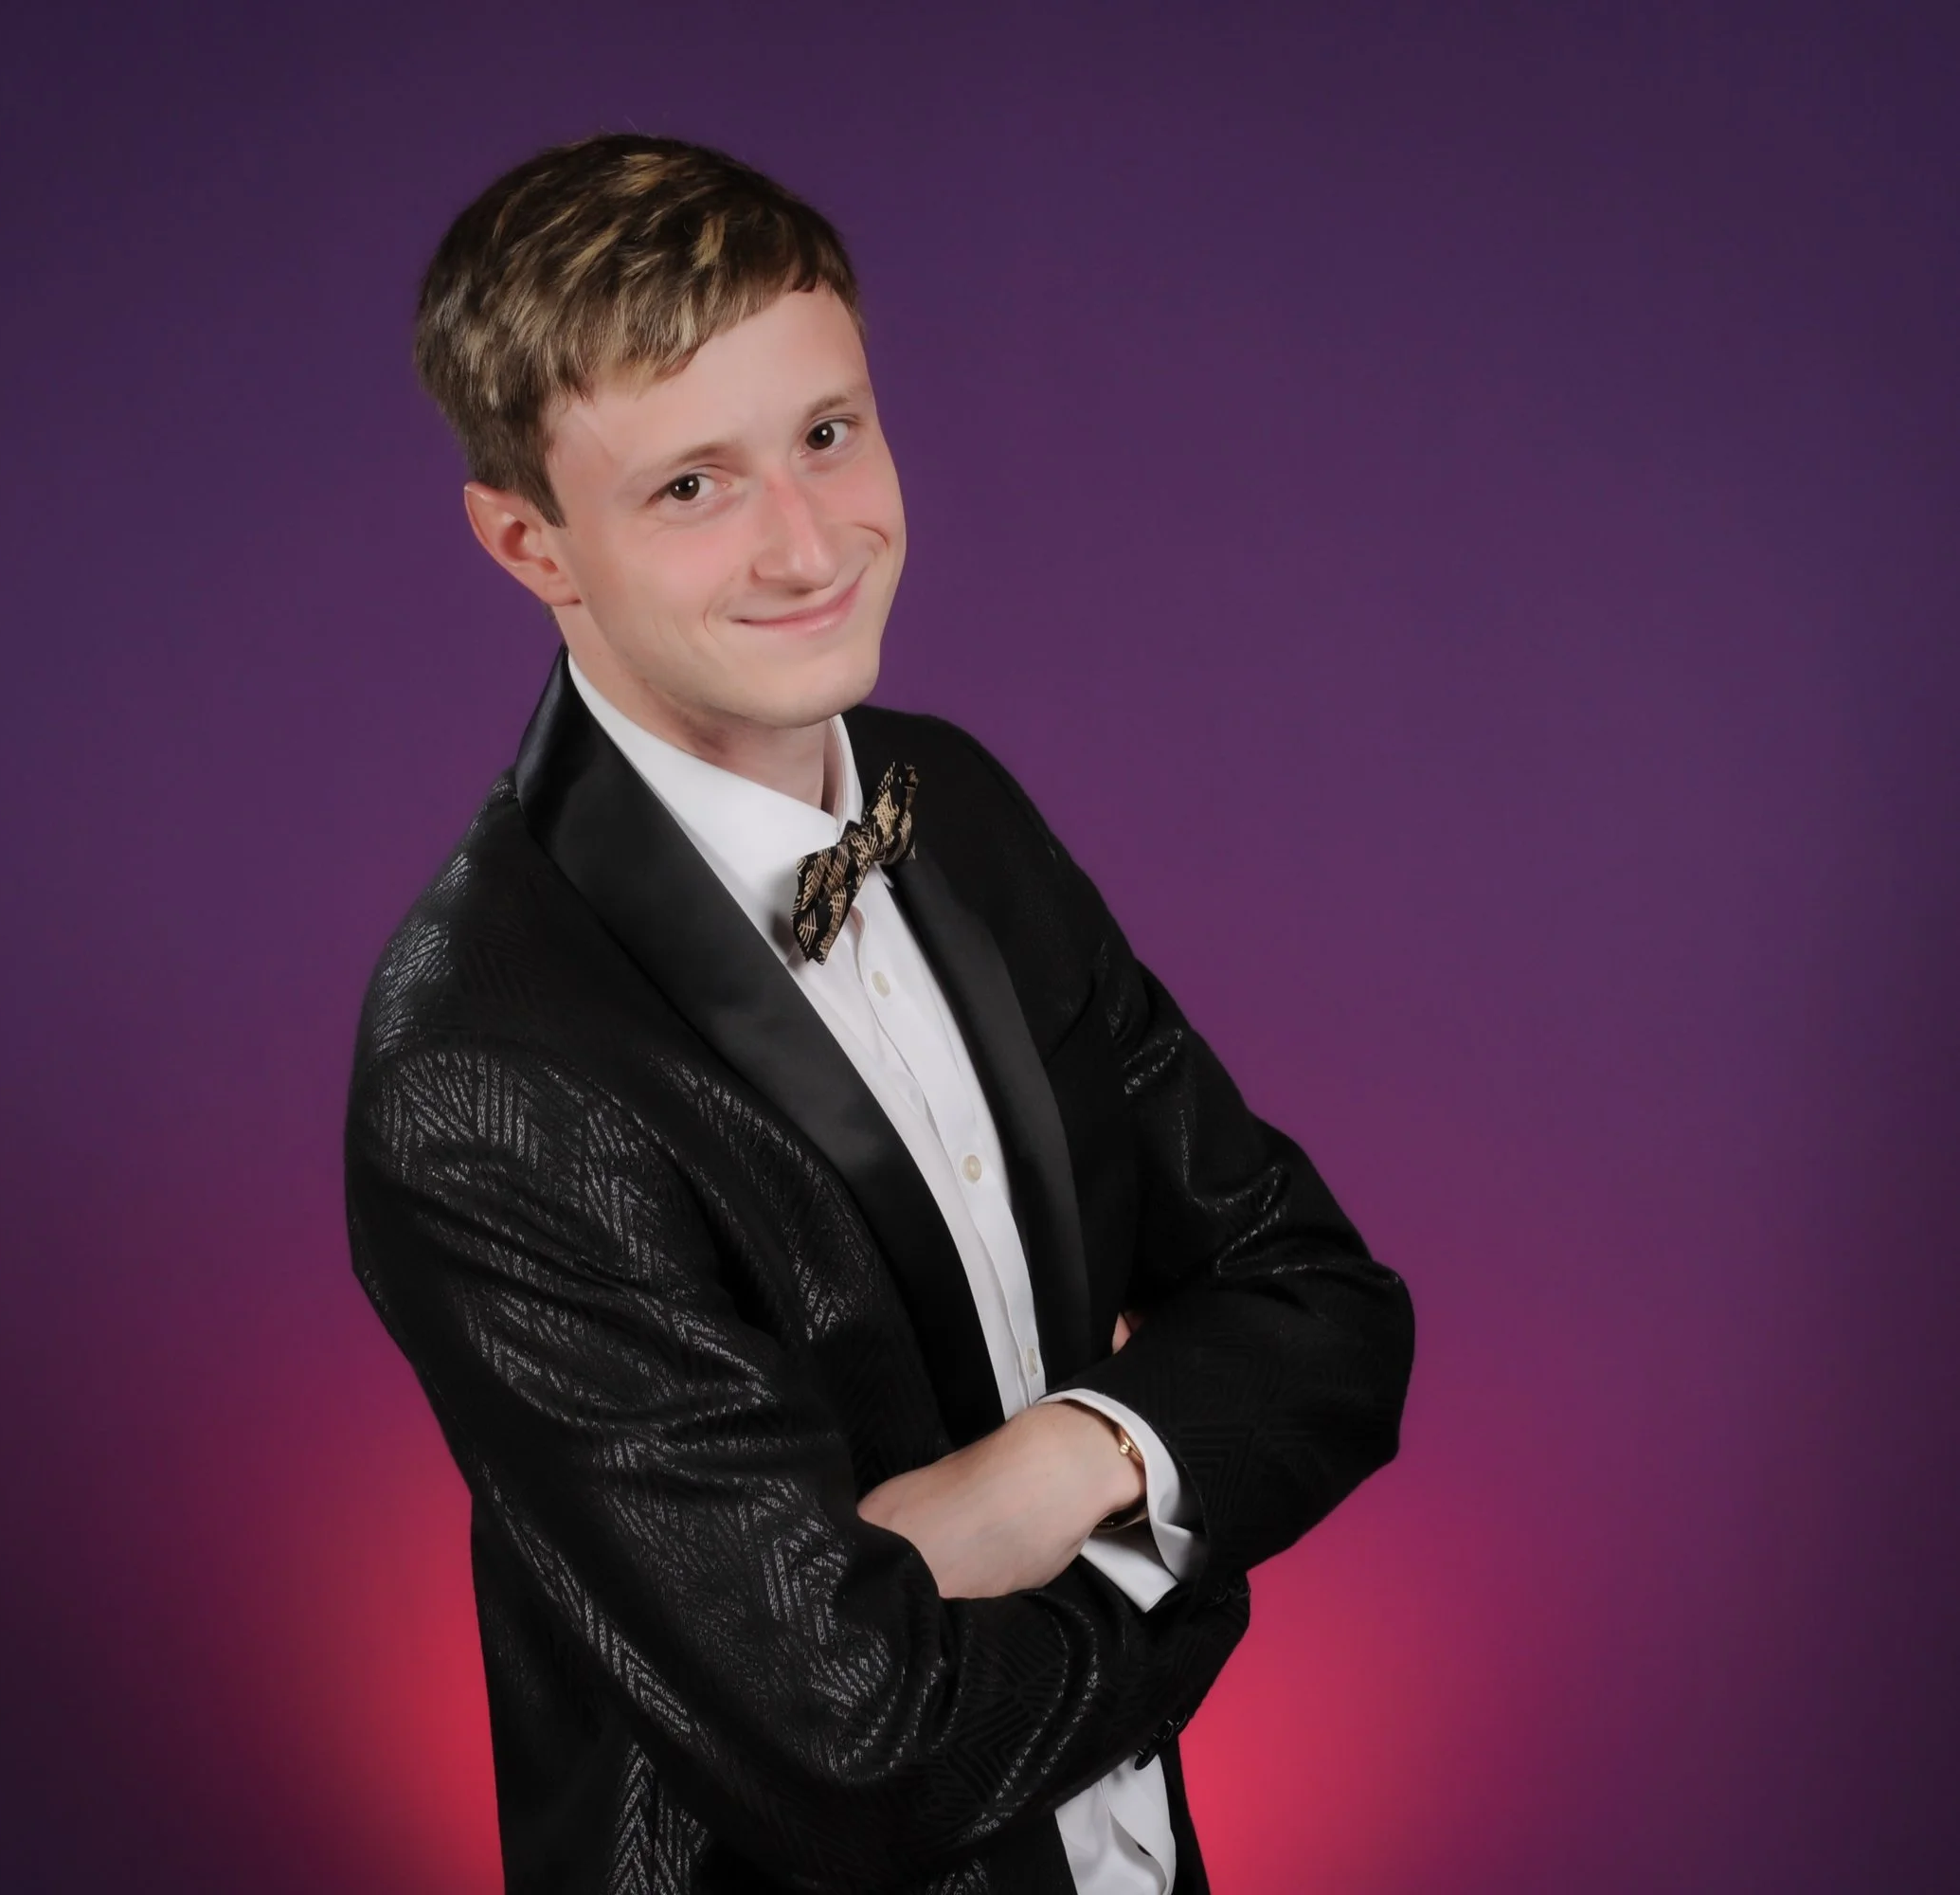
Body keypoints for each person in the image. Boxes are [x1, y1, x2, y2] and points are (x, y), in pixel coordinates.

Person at [344, 131, 1414, 1894]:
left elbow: (1327, 1312)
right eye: (691, 486)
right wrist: (1185, 1561)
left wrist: (1055, 1470)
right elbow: (856, 1743)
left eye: (827, 434)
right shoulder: (481, 1069)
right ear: (529, 542)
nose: (807, 542)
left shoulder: (954, 804)